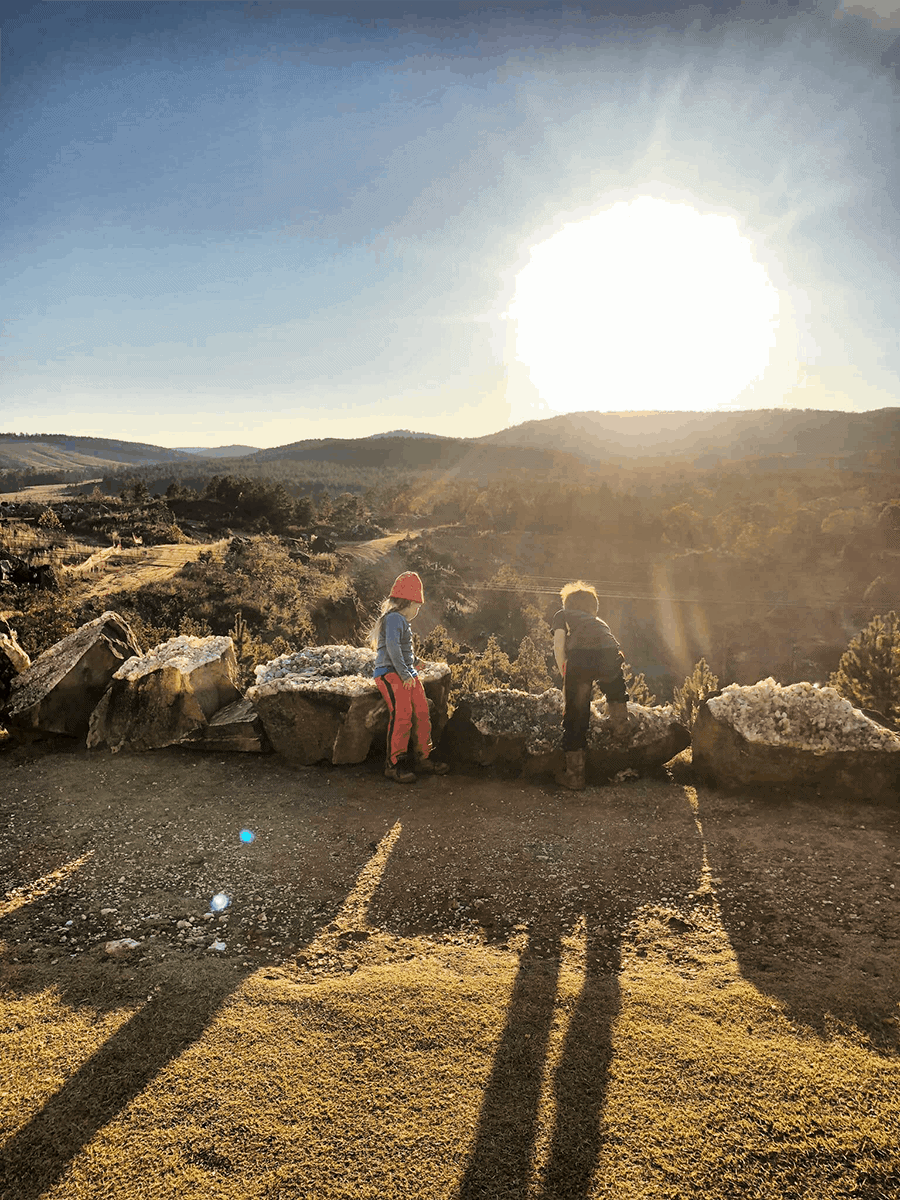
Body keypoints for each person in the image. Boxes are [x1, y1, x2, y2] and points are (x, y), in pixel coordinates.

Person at [551, 581, 631, 791]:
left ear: (568, 604)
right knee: (617, 692)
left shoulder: (563, 614)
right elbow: (610, 646)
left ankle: (575, 775)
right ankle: (621, 730)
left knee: (576, 715)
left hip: (581, 658)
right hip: (610, 654)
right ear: (593, 607)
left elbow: (559, 647)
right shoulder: (600, 622)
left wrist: (566, 677)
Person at [371, 571, 450, 783]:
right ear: (409, 602)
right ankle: (395, 763)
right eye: (418, 605)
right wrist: (406, 673)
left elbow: (405, 651)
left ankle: (423, 757)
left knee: (422, 711)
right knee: (403, 714)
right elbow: (393, 648)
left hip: (406, 674)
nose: (418, 610)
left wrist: (416, 663)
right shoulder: (394, 618)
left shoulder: (401, 620)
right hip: (390, 673)